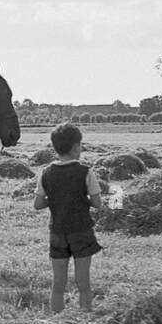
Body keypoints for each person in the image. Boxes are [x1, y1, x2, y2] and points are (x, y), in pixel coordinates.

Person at [32, 123, 103, 312]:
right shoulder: (86, 172)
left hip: (57, 232)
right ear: (75, 147)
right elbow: (97, 203)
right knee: (83, 282)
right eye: (80, 145)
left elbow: (38, 204)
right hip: (81, 231)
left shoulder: (46, 173)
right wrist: (82, 198)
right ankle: (85, 317)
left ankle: (56, 320)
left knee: (58, 284)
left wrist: (55, 199)